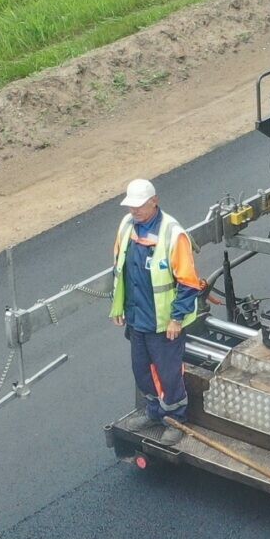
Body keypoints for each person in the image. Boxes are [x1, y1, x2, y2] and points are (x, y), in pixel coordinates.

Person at [110, 177, 203, 424]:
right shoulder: (127, 226)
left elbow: (188, 282)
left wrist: (176, 319)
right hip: (137, 318)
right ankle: (153, 412)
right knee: (141, 371)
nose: (134, 210)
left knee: (169, 374)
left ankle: (175, 418)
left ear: (154, 201)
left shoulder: (173, 234)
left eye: (140, 205)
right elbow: (119, 270)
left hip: (164, 323)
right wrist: (117, 306)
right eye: (131, 205)